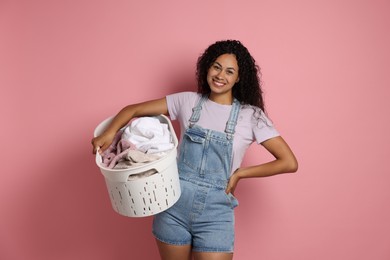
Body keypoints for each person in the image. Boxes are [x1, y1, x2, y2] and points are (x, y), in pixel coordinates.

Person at [91, 40, 298, 260]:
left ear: (238, 78)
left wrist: (241, 173)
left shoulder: (252, 116)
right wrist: (108, 133)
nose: (220, 75)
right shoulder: (187, 101)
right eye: (216, 67)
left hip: (216, 215)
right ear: (208, 67)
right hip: (173, 206)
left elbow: (288, 162)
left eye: (230, 71)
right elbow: (135, 109)